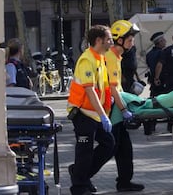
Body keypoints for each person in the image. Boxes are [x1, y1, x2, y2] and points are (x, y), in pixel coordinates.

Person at [67, 25, 115, 195]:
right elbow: (89, 90)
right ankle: (78, 187)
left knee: (109, 145)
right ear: (98, 40)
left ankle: (81, 175)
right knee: (84, 152)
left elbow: (102, 87)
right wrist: (103, 115)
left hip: (95, 113)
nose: (112, 42)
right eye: (109, 39)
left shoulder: (100, 58)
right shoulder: (87, 60)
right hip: (82, 113)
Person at [106, 20, 145, 192]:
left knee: (124, 149)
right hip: (111, 111)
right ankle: (80, 174)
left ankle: (124, 182)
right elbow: (113, 88)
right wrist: (124, 109)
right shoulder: (111, 57)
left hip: (116, 110)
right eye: (130, 39)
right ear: (119, 39)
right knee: (109, 149)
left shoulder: (117, 56)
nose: (133, 42)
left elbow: (118, 88)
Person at [144, 31, 167, 135]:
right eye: (163, 40)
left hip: (153, 80)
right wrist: (158, 78)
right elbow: (160, 65)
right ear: (159, 42)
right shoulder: (163, 53)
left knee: (153, 102)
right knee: (166, 101)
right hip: (161, 80)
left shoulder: (149, 54)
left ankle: (151, 124)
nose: (165, 41)